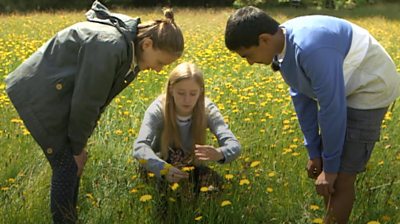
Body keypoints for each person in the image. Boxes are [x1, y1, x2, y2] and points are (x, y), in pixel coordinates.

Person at [5, 1, 184, 223]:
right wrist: (77, 148)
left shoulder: (126, 50)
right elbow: (86, 102)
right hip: (38, 93)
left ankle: (70, 218)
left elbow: (95, 102)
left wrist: (78, 145)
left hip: (54, 92)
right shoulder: (111, 47)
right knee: (66, 164)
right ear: (147, 44)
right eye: (160, 63)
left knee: (70, 162)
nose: (158, 70)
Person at [224, 6, 400, 224]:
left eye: (247, 55)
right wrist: (314, 151)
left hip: (371, 86)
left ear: (264, 39)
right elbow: (302, 95)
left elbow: (332, 108)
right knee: (328, 172)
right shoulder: (283, 46)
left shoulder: (310, 49)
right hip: (344, 86)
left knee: (341, 177)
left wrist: (332, 168)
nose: (249, 62)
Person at [133, 62, 241, 194]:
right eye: (181, 93)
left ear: (201, 91)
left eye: (193, 93)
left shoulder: (208, 109)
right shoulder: (157, 109)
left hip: (192, 165)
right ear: (171, 90)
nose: (187, 100)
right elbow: (140, 147)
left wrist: (220, 153)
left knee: (219, 191)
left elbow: (234, 144)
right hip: (161, 163)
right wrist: (162, 168)